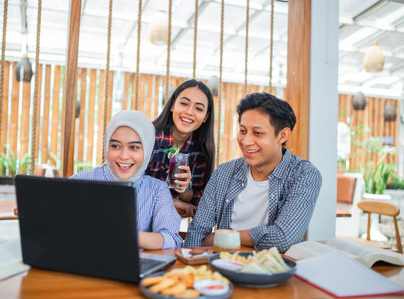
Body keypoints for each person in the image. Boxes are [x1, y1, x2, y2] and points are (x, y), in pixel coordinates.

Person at [185, 93, 322, 252]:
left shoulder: (304, 174)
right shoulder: (224, 172)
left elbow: (284, 238)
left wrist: (221, 237)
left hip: (274, 271)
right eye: (243, 131)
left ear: (283, 135)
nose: (246, 141)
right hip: (222, 268)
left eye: (257, 133)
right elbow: (196, 234)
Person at [71, 110, 183, 249]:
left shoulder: (157, 190)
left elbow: (172, 239)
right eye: (116, 146)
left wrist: (121, 234)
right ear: (106, 146)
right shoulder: (78, 182)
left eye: (134, 147)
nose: (124, 156)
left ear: (147, 150)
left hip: (135, 269)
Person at [146, 79, 215, 217]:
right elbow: (133, 187)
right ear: (172, 106)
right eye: (184, 103)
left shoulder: (200, 152)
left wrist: (186, 188)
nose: (189, 112)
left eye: (199, 108)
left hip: (166, 225)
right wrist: (174, 203)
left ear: (205, 116)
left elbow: (194, 203)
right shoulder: (149, 137)